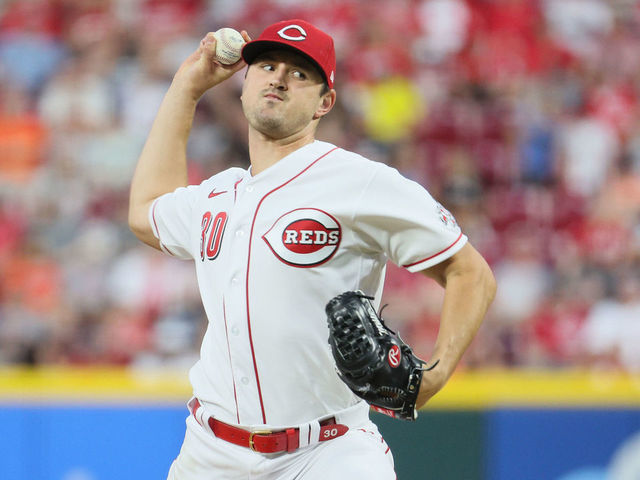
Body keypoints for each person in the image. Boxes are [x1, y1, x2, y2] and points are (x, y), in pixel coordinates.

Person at [128, 19, 496, 480]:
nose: (278, 77)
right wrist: (186, 87)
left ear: (325, 102)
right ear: (244, 85)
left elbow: (470, 272)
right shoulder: (217, 196)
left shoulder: (360, 182)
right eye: (266, 65)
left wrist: (435, 376)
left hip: (327, 452)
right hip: (210, 452)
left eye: (299, 73)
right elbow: (144, 213)